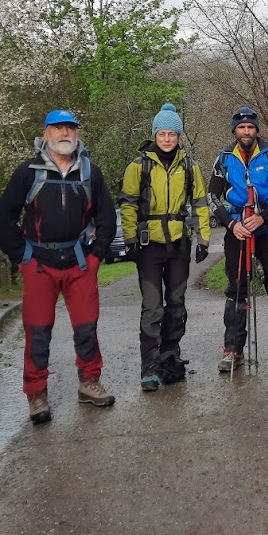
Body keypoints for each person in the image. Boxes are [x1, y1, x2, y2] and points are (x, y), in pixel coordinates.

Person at [0, 110, 118, 425]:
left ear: (76, 134)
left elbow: (106, 216)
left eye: (70, 128)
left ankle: (89, 382)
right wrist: (22, 256)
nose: (65, 133)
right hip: (39, 264)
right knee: (37, 331)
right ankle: (36, 394)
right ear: (46, 133)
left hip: (79, 263)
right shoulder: (28, 172)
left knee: (87, 327)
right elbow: (5, 216)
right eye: (58, 128)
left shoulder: (89, 172)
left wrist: (96, 256)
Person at [119, 103, 211, 392]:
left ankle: (170, 357)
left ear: (178, 136)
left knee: (176, 305)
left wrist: (203, 240)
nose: (167, 139)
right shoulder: (138, 166)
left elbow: (200, 204)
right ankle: (149, 366)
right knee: (152, 308)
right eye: (163, 134)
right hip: (149, 246)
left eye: (172, 134)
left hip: (178, 246)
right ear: (155, 135)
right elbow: (128, 205)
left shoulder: (190, 167)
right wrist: (130, 240)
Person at [208, 107, 268, 373]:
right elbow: (212, 196)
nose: (246, 132)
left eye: (250, 127)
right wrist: (231, 224)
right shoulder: (224, 158)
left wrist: (263, 217)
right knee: (236, 290)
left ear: (257, 129)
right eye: (241, 127)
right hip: (238, 230)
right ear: (234, 131)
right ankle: (232, 351)